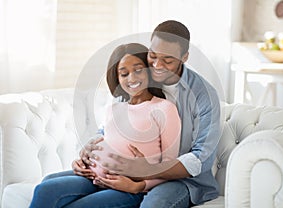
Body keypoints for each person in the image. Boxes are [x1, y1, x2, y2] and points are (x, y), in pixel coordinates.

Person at [77, 20, 222, 207]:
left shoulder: (204, 95)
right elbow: (109, 129)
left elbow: (200, 159)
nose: (157, 65)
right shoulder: (139, 76)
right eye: (153, 56)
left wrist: (146, 171)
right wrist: (87, 152)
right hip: (122, 172)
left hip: (184, 182)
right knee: (51, 187)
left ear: (184, 57)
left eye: (168, 60)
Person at [29, 43, 181, 208]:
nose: (132, 78)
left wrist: (139, 186)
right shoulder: (114, 108)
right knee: (44, 189)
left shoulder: (164, 108)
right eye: (124, 73)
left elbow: (170, 166)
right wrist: (80, 163)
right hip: (93, 177)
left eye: (138, 70)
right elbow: (104, 141)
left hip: (128, 187)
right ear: (117, 78)